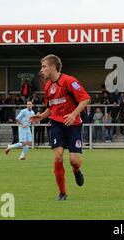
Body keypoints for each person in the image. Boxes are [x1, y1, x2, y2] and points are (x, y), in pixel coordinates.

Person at [29, 54, 91, 201]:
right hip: (56, 124)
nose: (41, 70)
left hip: (72, 124)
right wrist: (41, 116)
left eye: (44, 66)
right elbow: (51, 108)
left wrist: (73, 114)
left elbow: (86, 98)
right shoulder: (47, 86)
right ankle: (62, 193)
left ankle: (77, 170)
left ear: (52, 67)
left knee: (74, 161)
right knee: (58, 156)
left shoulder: (69, 81)